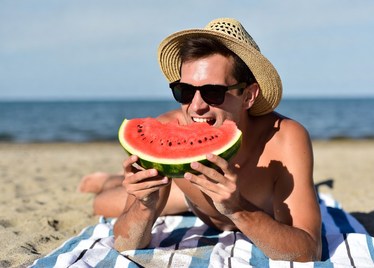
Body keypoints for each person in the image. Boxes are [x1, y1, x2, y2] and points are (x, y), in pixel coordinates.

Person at [79, 18, 322, 262]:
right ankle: (110, 180)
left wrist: (238, 209)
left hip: (218, 199)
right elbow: (125, 243)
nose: (196, 107)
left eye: (212, 93)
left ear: (248, 96)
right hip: (185, 190)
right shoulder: (168, 126)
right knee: (100, 204)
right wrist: (144, 205)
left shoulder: (285, 138)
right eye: (184, 91)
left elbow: (309, 250)